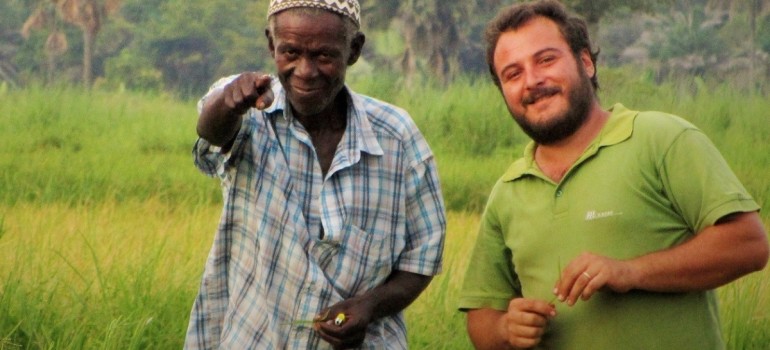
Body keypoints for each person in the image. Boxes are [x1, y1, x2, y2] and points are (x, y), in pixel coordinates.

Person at [457, 1, 769, 349]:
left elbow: (749, 244)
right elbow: (481, 318)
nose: (532, 81)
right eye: (512, 74)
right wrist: (505, 329)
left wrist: (631, 272)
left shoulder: (660, 139)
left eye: (546, 59)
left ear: (586, 62)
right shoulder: (508, 191)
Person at [185, 0, 447, 348]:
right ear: (270, 45)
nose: (305, 71)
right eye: (290, 52)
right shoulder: (249, 114)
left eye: (324, 56)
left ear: (353, 51)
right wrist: (231, 102)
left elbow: (422, 256)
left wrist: (368, 306)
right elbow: (211, 131)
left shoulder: (397, 137)